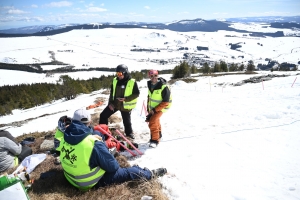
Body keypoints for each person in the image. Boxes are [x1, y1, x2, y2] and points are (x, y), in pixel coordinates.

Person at [57, 108, 167, 191]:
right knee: (128, 172)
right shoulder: (93, 144)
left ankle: (111, 140)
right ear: (89, 122)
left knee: (98, 133)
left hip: (70, 179)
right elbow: (113, 167)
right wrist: (105, 152)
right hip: (89, 183)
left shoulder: (64, 137)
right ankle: (149, 174)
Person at [99, 64, 139, 139]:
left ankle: (129, 134)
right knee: (103, 115)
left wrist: (126, 99)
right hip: (115, 104)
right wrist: (110, 104)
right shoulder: (115, 80)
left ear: (125, 72)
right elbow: (112, 93)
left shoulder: (132, 82)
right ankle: (103, 132)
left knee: (126, 121)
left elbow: (136, 94)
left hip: (125, 105)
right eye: (117, 73)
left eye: (120, 73)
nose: (118, 75)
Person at [146, 70, 172, 148]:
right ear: (149, 76)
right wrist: (149, 109)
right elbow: (150, 98)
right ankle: (159, 135)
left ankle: (155, 140)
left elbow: (166, 102)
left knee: (153, 121)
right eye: (151, 76)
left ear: (158, 75)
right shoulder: (150, 85)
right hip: (153, 107)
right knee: (156, 120)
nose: (154, 77)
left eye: (155, 75)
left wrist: (154, 110)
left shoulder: (163, 86)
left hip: (162, 107)